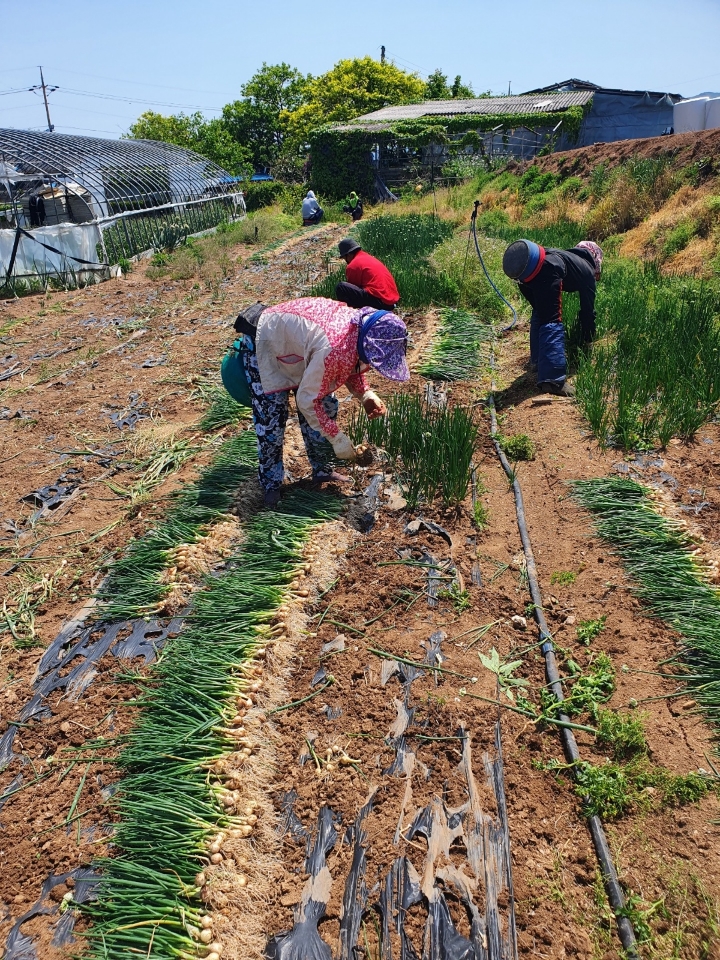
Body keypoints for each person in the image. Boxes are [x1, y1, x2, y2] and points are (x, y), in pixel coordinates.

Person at [235, 297, 409, 506]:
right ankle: (271, 483)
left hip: (303, 349)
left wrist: (365, 394)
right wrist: (336, 437)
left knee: (326, 405)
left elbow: (351, 360)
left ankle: (322, 469)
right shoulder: (334, 345)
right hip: (266, 343)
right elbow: (307, 401)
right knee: (272, 418)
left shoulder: (359, 330)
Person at [502, 238, 603, 397]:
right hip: (547, 269)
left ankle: (537, 362)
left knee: (540, 312)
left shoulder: (567, 255)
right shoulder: (588, 271)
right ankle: (553, 381)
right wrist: (588, 339)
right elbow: (587, 311)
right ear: (596, 258)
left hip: (524, 275)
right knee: (551, 320)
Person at [335, 238, 400, 310]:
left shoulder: (353, 265)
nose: (346, 262)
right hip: (392, 301)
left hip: (382, 303)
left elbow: (353, 289)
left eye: (345, 258)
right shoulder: (367, 257)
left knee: (341, 287)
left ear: (349, 254)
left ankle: (349, 314)